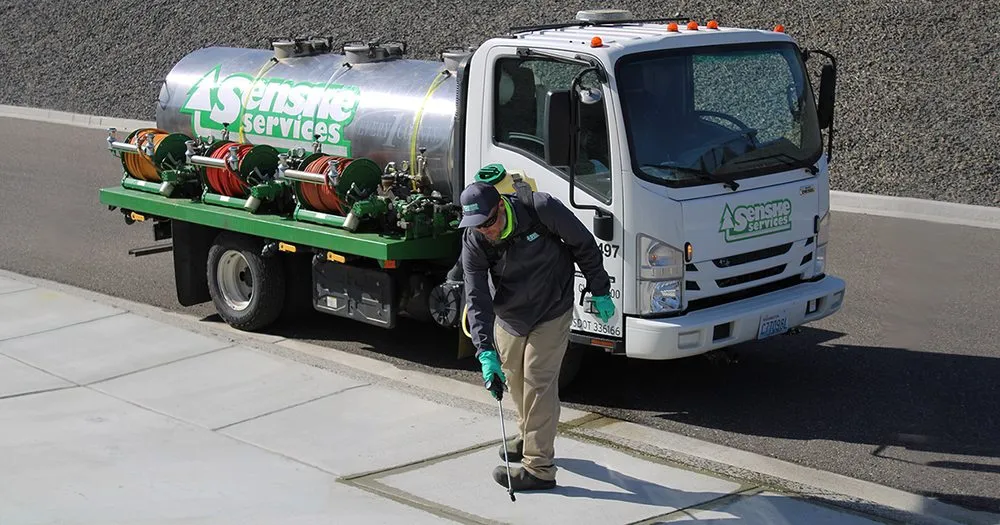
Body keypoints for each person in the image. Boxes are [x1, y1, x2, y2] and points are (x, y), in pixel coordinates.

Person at [458, 168, 615, 491]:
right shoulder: (475, 240)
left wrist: (600, 289)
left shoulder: (540, 209)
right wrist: (484, 350)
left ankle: (539, 468)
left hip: (551, 307)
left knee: (537, 381)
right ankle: (527, 434)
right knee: (513, 378)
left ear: (501, 207)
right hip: (510, 315)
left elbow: (583, 243)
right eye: (476, 227)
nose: (485, 231)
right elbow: (476, 296)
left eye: (488, 222)